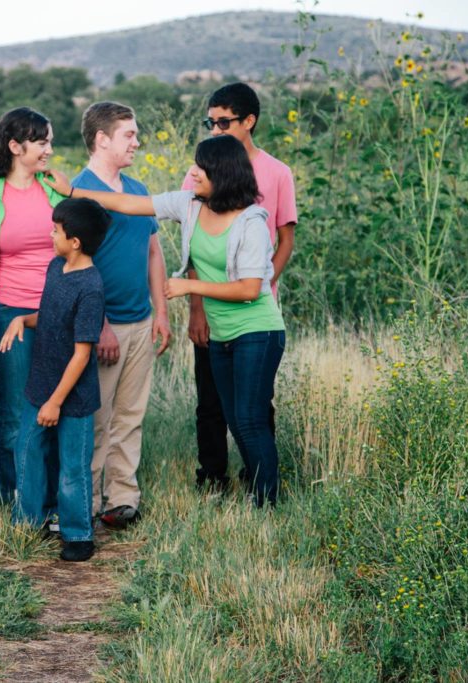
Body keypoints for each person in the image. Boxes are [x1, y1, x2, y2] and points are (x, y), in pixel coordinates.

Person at [50, 135, 286, 507]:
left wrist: (188, 285)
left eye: (201, 167)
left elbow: (250, 289)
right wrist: (75, 191)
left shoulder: (251, 221)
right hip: (222, 333)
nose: (192, 172)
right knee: (235, 419)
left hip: (258, 331)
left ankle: (267, 502)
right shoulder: (190, 204)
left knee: (249, 418)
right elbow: (130, 203)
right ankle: (258, 492)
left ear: (222, 173)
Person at [182, 83, 297, 492]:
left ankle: (260, 481)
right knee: (211, 402)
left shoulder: (277, 173)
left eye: (224, 122)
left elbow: (285, 238)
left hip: (254, 307)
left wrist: (262, 283)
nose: (215, 129)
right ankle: (213, 477)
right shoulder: (200, 172)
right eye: (210, 121)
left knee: (254, 407)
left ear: (249, 121)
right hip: (210, 308)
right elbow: (193, 244)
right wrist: (196, 307)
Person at [74, 102, 171, 530]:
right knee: (97, 418)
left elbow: (154, 251)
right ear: (101, 139)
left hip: (140, 321)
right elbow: (78, 265)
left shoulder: (136, 189)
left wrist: (162, 313)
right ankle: (88, 501)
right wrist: (100, 325)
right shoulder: (80, 192)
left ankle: (122, 497)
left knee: (131, 415)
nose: (136, 141)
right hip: (102, 326)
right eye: (128, 134)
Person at [0, 198, 110, 561]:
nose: (50, 234)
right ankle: (29, 522)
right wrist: (22, 320)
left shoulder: (90, 287)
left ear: (74, 241)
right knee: (26, 450)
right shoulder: (54, 267)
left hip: (72, 398)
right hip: (40, 383)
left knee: (72, 466)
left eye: (56, 230)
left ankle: (78, 534)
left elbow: (82, 354)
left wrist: (56, 402)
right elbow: (49, 316)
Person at [0, 106, 66, 505]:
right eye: (42, 142)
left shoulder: (55, 189)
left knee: (56, 406)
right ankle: (13, 498)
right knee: (16, 410)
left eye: (50, 142)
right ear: (14, 145)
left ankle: (52, 499)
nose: (49, 150)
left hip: (57, 312)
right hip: (9, 312)